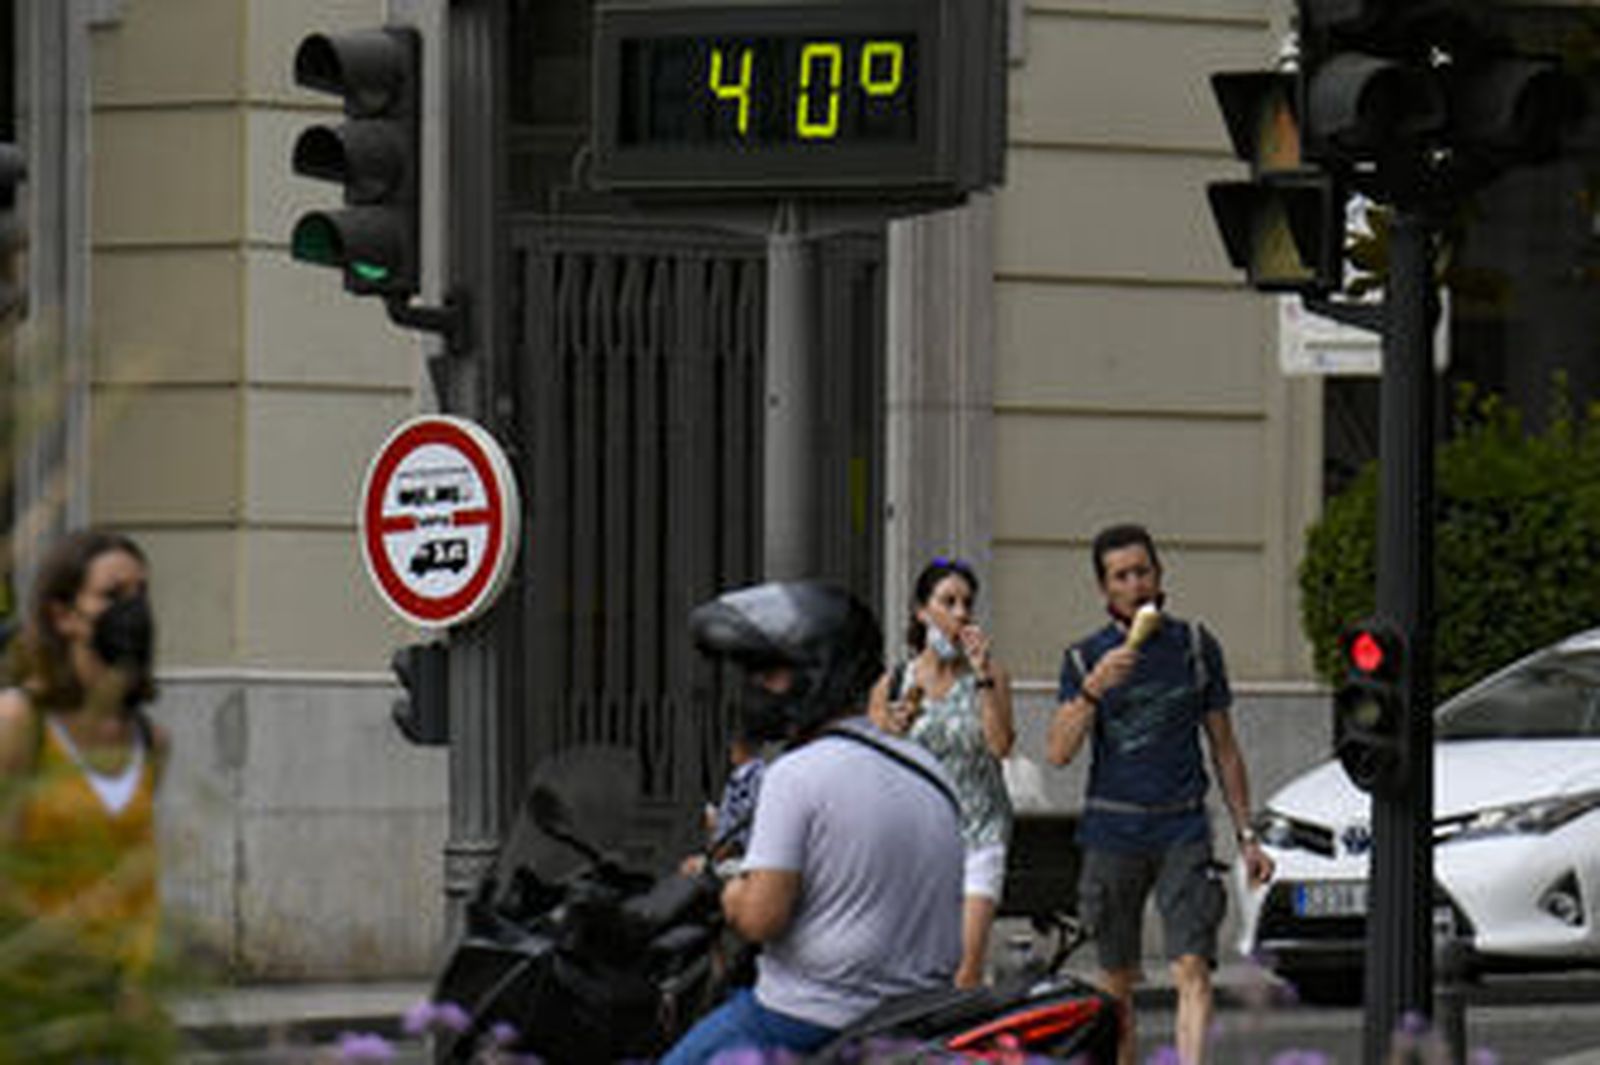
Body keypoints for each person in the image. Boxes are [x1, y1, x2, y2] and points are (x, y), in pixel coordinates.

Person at [662, 580, 964, 1064]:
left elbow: (761, 917)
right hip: (918, 1019)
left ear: (820, 673)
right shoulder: (931, 770)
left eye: (772, 671)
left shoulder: (796, 774)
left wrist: (728, 889)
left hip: (810, 1018)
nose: (757, 687)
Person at [1045, 523, 1274, 1065]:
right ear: (1105, 592)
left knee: (1193, 968)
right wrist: (1093, 689)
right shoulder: (1084, 658)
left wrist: (1247, 836)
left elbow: (1225, 748)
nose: (1136, 583)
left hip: (1183, 827)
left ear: (1159, 575)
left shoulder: (1194, 646)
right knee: (1117, 981)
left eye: (1143, 571)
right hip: (1113, 830)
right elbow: (1057, 751)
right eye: (1122, 576)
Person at [0, 530, 168, 1028]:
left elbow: (139, 882)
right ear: (63, 615)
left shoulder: (149, 742)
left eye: (141, 594)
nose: (133, 611)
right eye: (113, 596)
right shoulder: (18, 724)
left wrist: (136, 986)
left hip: (115, 1019)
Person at [869, 556, 1014, 987]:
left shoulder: (991, 675)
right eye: (947, 602)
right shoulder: (894, 681)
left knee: (966, 965)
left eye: (967, 604)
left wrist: (984, 677)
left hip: (980, 832)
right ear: (922, 612)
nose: (960, 614)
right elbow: (874, 761)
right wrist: (893, 726)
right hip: (918, 837)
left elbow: (1000, 745)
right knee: (914, 963)